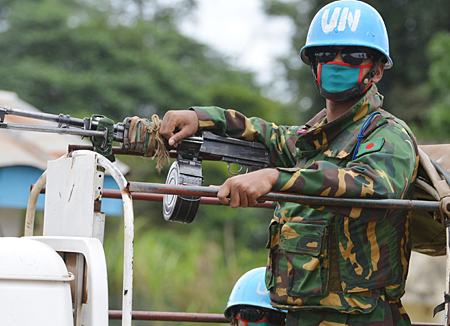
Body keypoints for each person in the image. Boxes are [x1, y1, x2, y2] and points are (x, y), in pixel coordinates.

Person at [160, 1, 418, 325]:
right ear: (313, 65)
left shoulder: (389, 134)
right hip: (298, 315)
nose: (337, 63)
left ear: (377, 70)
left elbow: (376, 187)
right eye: (326, 55)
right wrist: (202, 118)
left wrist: (274, 178)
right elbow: (265, 132)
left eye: (352, 55)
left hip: (360, 317)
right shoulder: (313, 139)